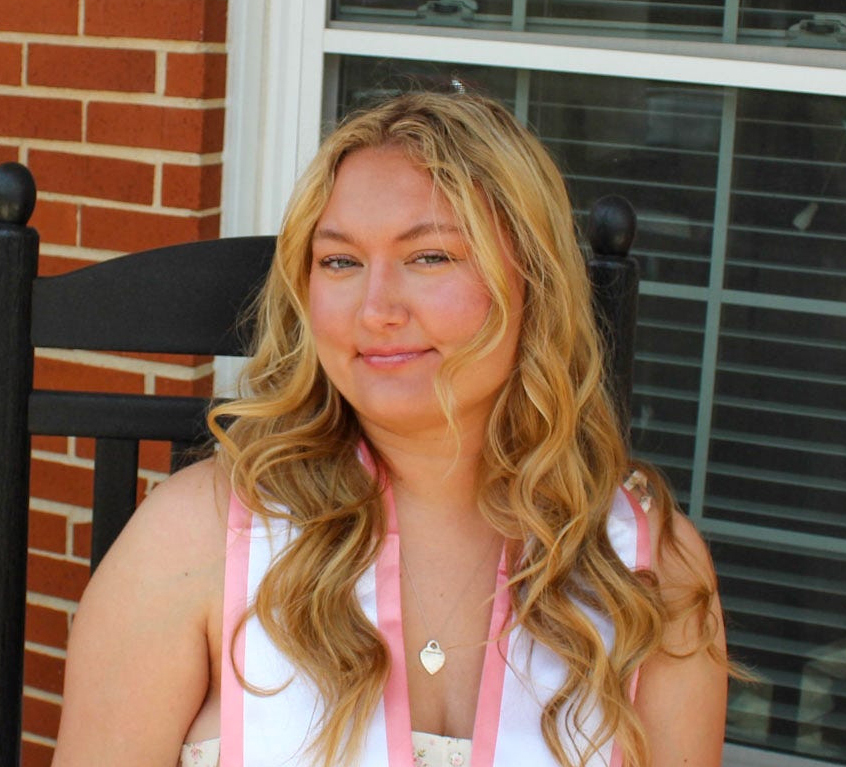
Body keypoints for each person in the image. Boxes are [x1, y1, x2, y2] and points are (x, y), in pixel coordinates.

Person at [51, 92, 727, 767]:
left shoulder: (645, 569)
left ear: (534, 282)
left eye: (429, 257)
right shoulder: (194, 539)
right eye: (340, 262)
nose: (375, 310)